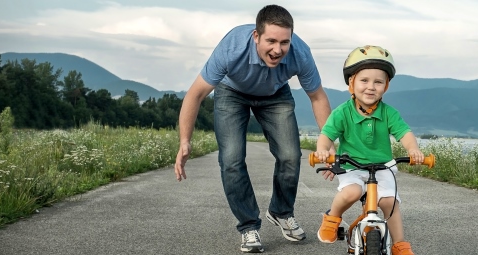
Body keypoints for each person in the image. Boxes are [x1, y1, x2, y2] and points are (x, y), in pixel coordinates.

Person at [173, 4, 332, 253]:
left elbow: (318, 97)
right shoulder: (232, 48)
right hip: (232, 92)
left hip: (275, 93)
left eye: (284, 42)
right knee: (232, 159)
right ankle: (248, 226)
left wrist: (328, 141)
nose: (278, 50)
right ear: (256, 36)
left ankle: (281, 211)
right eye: (271, 41)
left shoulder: (300, 52)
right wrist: (185, 140)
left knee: (291, 155)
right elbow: (196, 94)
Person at [313, 45, 423, 255]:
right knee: (352, 192)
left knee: (389, 202)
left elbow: (405, 134)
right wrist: (323, 151)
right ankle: (332, 218)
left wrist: (413, 149)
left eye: (378, 82)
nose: (371, 87)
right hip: (351, 166)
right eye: (364, 81)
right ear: (352, 83)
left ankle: (399, 244)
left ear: (386, 86)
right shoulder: (342, 112)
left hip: (383, 168)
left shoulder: (389, 113)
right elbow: (327, 135)